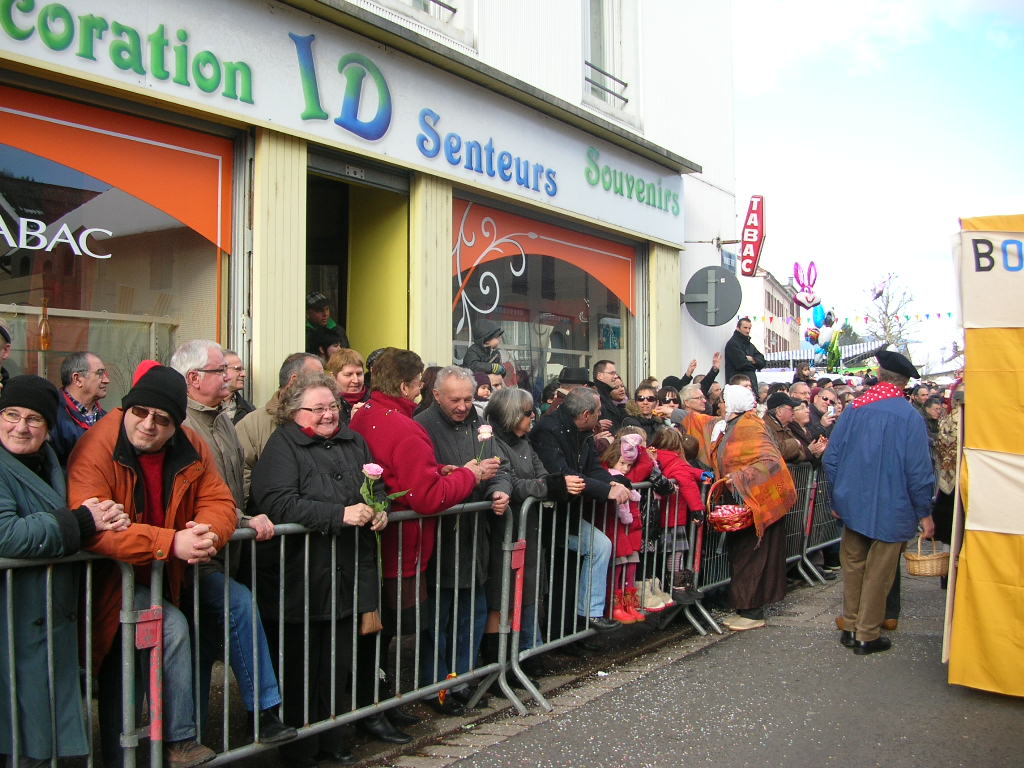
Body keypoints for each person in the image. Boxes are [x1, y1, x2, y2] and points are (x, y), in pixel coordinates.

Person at [68, 362, 238, 768]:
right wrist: (170, 542)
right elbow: (93, 527)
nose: (148, 425)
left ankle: (169, 743)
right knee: (126, 672)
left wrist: (205, 534)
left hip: (162, 578)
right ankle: (177, 741)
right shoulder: (97, 447)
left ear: (176, 425)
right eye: (140, 412)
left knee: (132, 674)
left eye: (161, 419)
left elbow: (219, 500)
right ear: (126, 409)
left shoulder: (191, 444)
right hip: (107, 585)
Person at [252, 372, 396, 766]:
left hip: (347, 570)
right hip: (301, 575)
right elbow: (277, 502)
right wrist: (339, 514)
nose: (329, 414)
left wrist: (380, 510)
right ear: (295, 413)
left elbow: (376, 484)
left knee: (339, 662)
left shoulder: (354, 441)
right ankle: (301, 752)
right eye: (318, 408)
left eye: (332, 406)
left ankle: (333, 743)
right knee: (301, 669)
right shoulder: (282, 446)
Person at [348, 349, 497, 717]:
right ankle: (376, 707)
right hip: (402, 548)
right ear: (404, 385)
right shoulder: (406, 426)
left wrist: (441, 470)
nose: (420, 390)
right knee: (387, 631)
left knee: (376, 636)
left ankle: (374, 704)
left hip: (379, 543)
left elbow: (407, 475)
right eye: (418, 384)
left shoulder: (365, 414)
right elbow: (427, 497)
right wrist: (469, 475)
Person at [169, 341, 294, 745]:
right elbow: (198, 494)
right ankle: (266, 711)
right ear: (193, 379)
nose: (230, 376)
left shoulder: (221, 418)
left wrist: (244, 515)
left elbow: (228, 482)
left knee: (202, 648)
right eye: (220, 370)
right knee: (237, 604)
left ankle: (193, 738)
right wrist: (240, 518)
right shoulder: (181, 424)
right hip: (197, 553)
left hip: (230, 547)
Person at [0, 376, 128, 766]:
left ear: (48, 427)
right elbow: (7, 535)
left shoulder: (51, 460)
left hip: (48, 620)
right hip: (13, 623)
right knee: (24, 738)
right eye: (11, 414)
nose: (21, 427)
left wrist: (107, 516)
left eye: (34, 419)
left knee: (48, 736)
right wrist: (82, 523)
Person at [823, 349, 935, 655]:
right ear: (904, 382)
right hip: (893, 504)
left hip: (852, 501)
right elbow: (919, 470)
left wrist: (837, 495)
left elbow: (831, 458)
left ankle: (851, 625)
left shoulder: (856, 408)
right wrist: (924, 511)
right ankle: (867, 634)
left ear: (880, 375)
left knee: (854, 565)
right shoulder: (909, 416)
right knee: (879, 571)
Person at [413, 366, 510, 702]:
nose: (463, 406)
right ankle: (435, 686)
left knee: (472, 614)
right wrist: (466, 475)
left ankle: (462, 679)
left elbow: (501, 466)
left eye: (468, 399)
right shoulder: (421, 425)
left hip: (474, 536)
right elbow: (425, 481)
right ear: (437, 395)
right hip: (441, 537)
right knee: (438, 620)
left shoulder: (478, 423)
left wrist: (499, 489)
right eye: (455, 399)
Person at [482, 387, 584, 658]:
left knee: (526, 595)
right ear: (512, 414)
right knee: (501, 598)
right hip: (502, 532)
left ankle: (527, 653)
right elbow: (513, 483)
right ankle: (500, 661)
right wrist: (552, 486)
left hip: (527, 531)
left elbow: (541, 474)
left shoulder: (524, 442)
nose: (533, 418)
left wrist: (553, 484)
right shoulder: (492, 442)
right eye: (528, 413)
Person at [531, 387, 630, 632]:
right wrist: (606, 490)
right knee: (588, 555)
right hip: (551, 516)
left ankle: (579, 625)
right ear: (586, 414)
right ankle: (585, 617)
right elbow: (564, 474)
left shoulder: (581, 432)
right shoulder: (549, 430)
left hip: (570, 514)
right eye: (597, 412)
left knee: (573, 572)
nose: (600, 416)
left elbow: (592, 468)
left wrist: (612, 482)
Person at [710, 385, 796, 632]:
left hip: (756, 502)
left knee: (752, 556)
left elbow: (769, 461)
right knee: (744, 555)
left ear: (735, 403)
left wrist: (738, 478)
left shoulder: (749, 426)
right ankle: (747, 609)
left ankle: (752, 611)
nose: (720, 406)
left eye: (724, 402)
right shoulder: (736, 424)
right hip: (745, 501)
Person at [235, 352, 324, 503]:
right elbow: (241, 473)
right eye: (318, 377)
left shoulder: (327, 420)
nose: (324, 383)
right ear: (294, 380)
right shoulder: (251, 424)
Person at [649, 428, 708, 605]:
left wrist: (700, 473)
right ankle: (678, 588)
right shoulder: (676, 461)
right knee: (676, 554)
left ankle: (665, 589)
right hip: (674, 517)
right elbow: (687, 483)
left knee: (656, 557)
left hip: (656, 518)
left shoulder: (653, 458)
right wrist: (698, 510)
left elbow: (688, 472)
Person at [599, 431, 650, 624]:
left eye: (629, 465)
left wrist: (635, 446)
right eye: (622, 463)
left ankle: (628, 604)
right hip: (615, 529)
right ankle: (615, 605)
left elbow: (644, 464)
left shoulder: (626, 477)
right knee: (618, 569)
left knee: (629, 568)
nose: (626, 469)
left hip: (629, 531)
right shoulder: (608, 476)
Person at [51, 350, 110, 466]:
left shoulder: (107, 418)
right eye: (99, 373)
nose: (107, 380)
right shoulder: (53, 415)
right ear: (77, 379)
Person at [325, 347, 369, 424]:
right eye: (348, 375)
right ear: (333, 377)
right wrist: (351, 421)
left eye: (359, 374)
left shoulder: (375, 399)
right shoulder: (325, 404)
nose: (356, 380)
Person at [763, 392, 808, 463]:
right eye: (791, 409)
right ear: (779, 411)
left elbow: (802, 455)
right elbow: (775, 452)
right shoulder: (764, 427)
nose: (793, 412)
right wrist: (796, 443)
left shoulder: (786, 427)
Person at [723, 317, 766, 392]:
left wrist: (752, 359)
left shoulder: (750, 345)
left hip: (750, 385)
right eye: (745, 328)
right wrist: (755, 364)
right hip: (738, 386)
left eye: (749, 328)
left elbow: (763, 361)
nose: (747, 330)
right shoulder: (733, 344)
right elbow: (741, 364)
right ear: (738, 328)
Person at [221, 350, 255, 424]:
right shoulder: (205, 406)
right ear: (222, 370)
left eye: (243, 370)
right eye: (237, 369)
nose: (244, 374)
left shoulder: (249, 410)